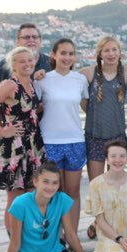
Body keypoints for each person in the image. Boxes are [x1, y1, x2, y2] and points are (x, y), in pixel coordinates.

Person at [0, 46, 46, 233]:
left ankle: (28, 237)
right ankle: (14, 240)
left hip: (33, 146)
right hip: (15, 147)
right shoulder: (9, 85)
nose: (27, 64)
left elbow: (29, 110)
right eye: (22, 61)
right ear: (13, 65)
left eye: (30, 60)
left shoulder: (30, 84)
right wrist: (1, 131)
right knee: (15, 199)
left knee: (32, 194)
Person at [33, 39, 89, 231]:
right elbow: (33, 106)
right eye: (63, 53)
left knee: (72, 191)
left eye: (71, 53)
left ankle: (71, 234)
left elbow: (86, 105)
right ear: (54, 55)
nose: (67, 57)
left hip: (75, 141)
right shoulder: (42, 79)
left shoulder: (80, 80)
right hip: (50, 142)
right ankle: (55, 234)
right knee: (51, 192)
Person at [80, 36, 127, 182]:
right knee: (96, 185)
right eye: (106, 50)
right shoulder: (87, 73)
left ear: (120, 52)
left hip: (117, 136)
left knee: (115, 186)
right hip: (94, 136)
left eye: (114, 49)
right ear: (100, 54)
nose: (111, 53)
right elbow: (82, 102)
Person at [0, 23, 51, 95]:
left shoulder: (51, 63)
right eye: (26, 37)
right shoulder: (3, 66)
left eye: (35, 37)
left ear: (40, 41)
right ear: (17, 41)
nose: (31, 40)